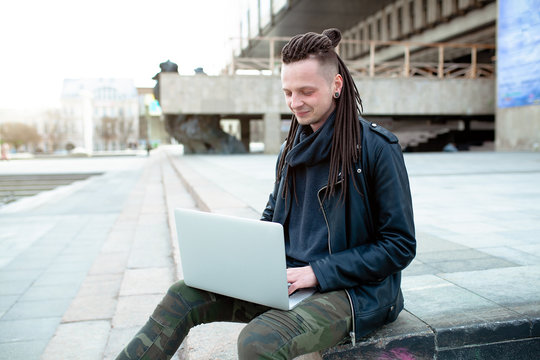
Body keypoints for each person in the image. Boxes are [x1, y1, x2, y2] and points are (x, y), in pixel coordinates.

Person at [116, 28, 415, 360]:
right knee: (182, 295)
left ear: (336, 85)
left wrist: (318, 272)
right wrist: (246, 264)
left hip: (353, 291)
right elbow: (271, 220)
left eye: (306, 91)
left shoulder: (376, 148)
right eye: (287, 92)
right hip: (286, 281)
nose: (295, 103)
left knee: (258, 340)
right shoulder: (289, 151)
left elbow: (399, 245)